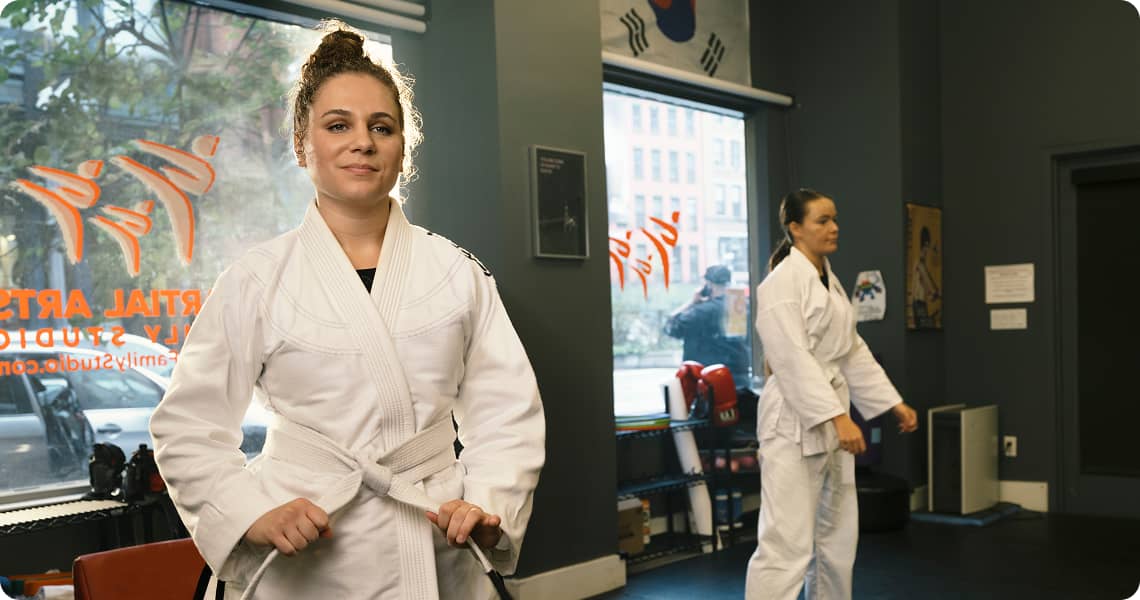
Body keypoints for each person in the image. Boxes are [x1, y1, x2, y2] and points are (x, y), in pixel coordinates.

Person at [149, 22, 545, 599]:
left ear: (401, 149)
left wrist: (486, 504)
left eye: (381, 127)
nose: (363, 141)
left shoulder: (456, 272)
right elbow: (188, 425)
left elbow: (508, 414)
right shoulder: (256, 279)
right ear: (302, 145)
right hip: (304, 550)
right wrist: (250, 512)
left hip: (435, 539)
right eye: (339, 125)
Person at [745, 188, 918, 600]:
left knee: (836, 538)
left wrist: (892, 402)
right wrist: (837, 417)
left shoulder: (829, 281)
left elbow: (850, 349)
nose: (834, 227)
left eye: (835, 218)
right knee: (786, 543)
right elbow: (791, 358)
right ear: (795, 228)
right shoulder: (782, 283)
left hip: (829, 418)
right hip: (793, 424)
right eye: (822, 220)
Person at [664, 264, 748, 382]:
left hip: (709, 379)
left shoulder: (701, 312)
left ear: (708, 286)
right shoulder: (741, 307)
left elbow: (670, 328)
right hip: (738, 375)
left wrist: (691, 303)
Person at [910, 226, 941, 328]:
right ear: (926, 245)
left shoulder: (919, 263)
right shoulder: (919, 263)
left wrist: (931, 293)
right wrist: (934, 292)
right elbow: (927, 280)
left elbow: (924, 282)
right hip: (919, 305)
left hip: (919, 304)